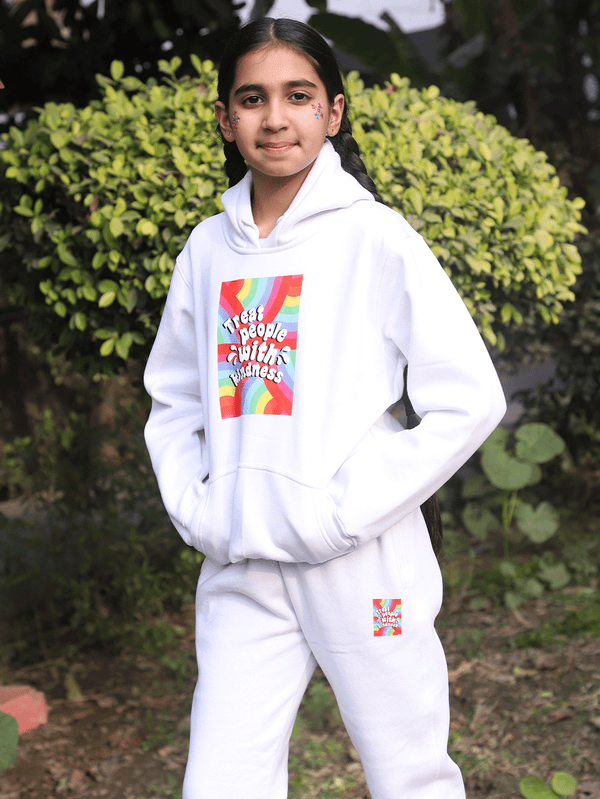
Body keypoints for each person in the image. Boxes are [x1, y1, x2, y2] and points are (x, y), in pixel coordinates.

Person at [143, 16, 506, 799]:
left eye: (298, 95)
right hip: (243, 562)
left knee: (409, 775)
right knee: (220, 782)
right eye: (252, 98)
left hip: (362, 564)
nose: (275, 118)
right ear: (225, 118)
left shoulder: (376, 238)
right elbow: (173, 399)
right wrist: (202, 512)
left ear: (333, 112)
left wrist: (345, 512)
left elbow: (469, 397)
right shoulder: (208, 250)